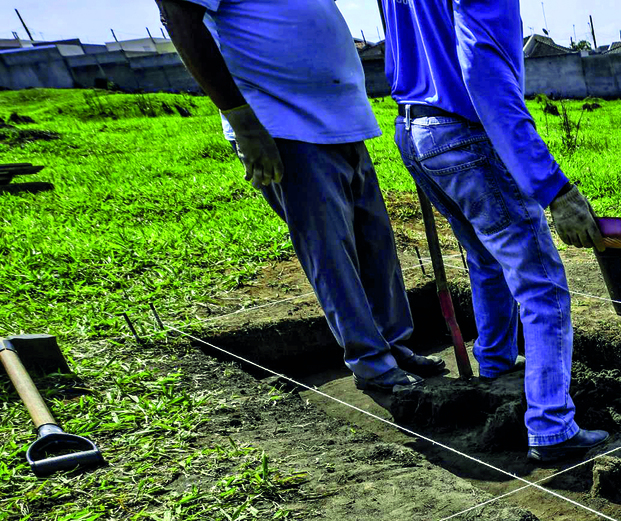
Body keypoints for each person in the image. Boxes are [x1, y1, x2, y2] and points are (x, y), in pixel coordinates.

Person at [158, 0, 451, 418]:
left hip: (342, 119)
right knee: (331, 254)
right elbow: (179, 17)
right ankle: (373, 364)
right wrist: (241, 117)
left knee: (376, 244)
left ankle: (393, 345)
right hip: (285, 124)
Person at [380, 0, 612, 464]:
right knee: (542, 285)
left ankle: (495, 366)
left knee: (486, 257)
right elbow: (485, 78)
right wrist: (556, 190)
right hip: (465, 132)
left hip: (414, 131)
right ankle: (551, 426)